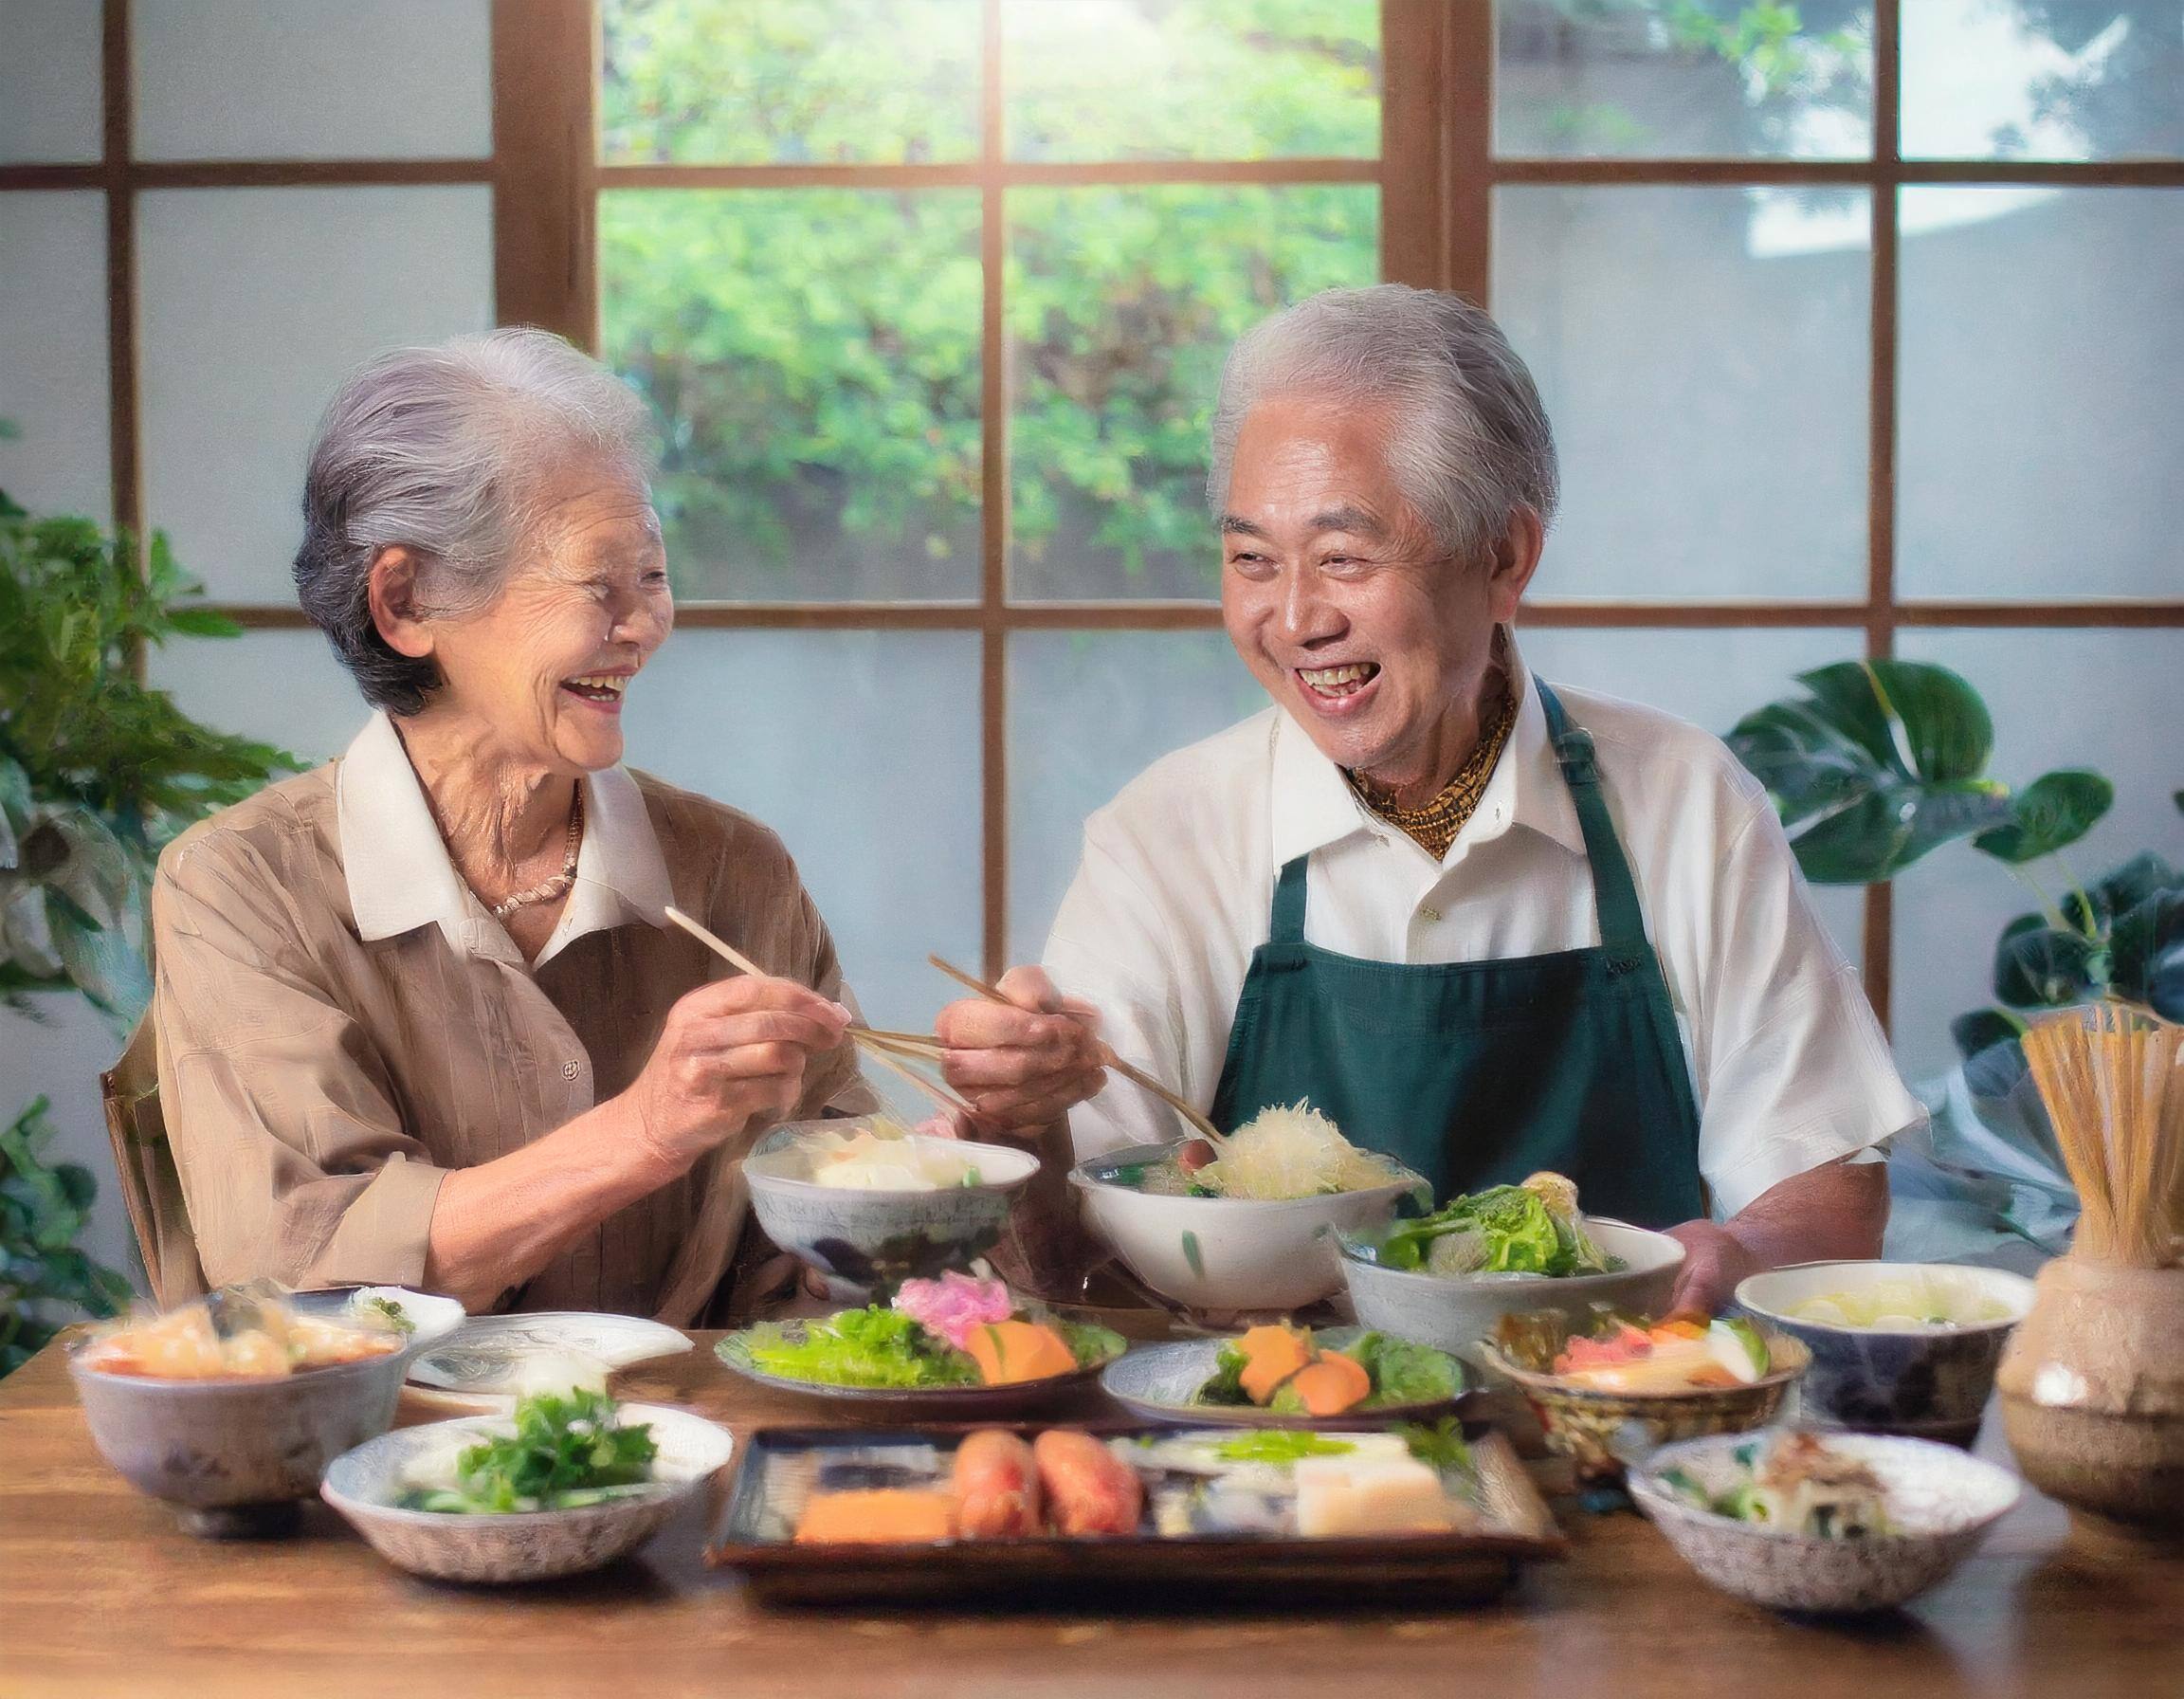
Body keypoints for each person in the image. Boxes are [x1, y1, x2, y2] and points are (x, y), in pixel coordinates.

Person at [937, 284, 1921, 1312]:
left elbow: (1820, 1197)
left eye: (1345, 559)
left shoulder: (1684, 802)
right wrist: (1025, 1123)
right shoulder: (1167, 833)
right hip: (1268, 1444)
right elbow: (1072, 1252)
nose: (1296, 617)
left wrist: (1745, 1255)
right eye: (1252, 561)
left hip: (1607, 1418)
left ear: (1504, 559)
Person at [151, 330, 866, 1321]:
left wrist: (1005, 1125)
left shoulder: (737, 871)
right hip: (373, 1459)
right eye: (599, 583)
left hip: (694, 1445)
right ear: (407, 601)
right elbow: (310, 1266)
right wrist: (647, 1132)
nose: (643, 625)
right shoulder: (238, 885)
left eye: (652, 577)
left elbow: (844, 1235)